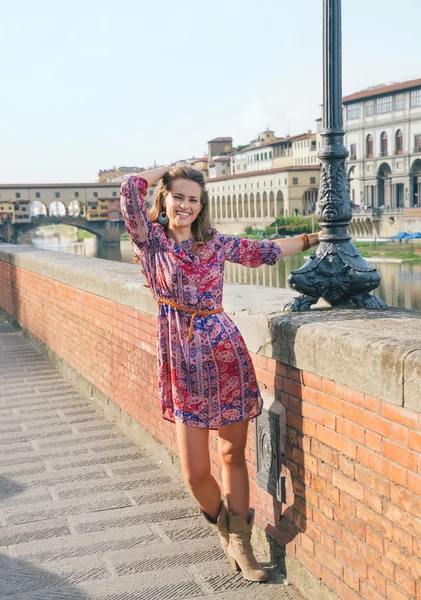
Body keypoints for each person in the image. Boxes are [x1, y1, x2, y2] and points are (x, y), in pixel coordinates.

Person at [120, 165, 319, 583]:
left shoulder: (213, 244)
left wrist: (310, 239)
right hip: (181, 359)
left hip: (224, 351)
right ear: (165, 199)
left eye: (194, 199)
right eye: (178, 196)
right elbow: (128, 189)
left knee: (231, 455)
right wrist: (169, 167)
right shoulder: (150, 241)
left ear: (202, 206)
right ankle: (226, 528)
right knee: (194, 472)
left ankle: (243, 546)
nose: (186, 206)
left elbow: (261, 251)